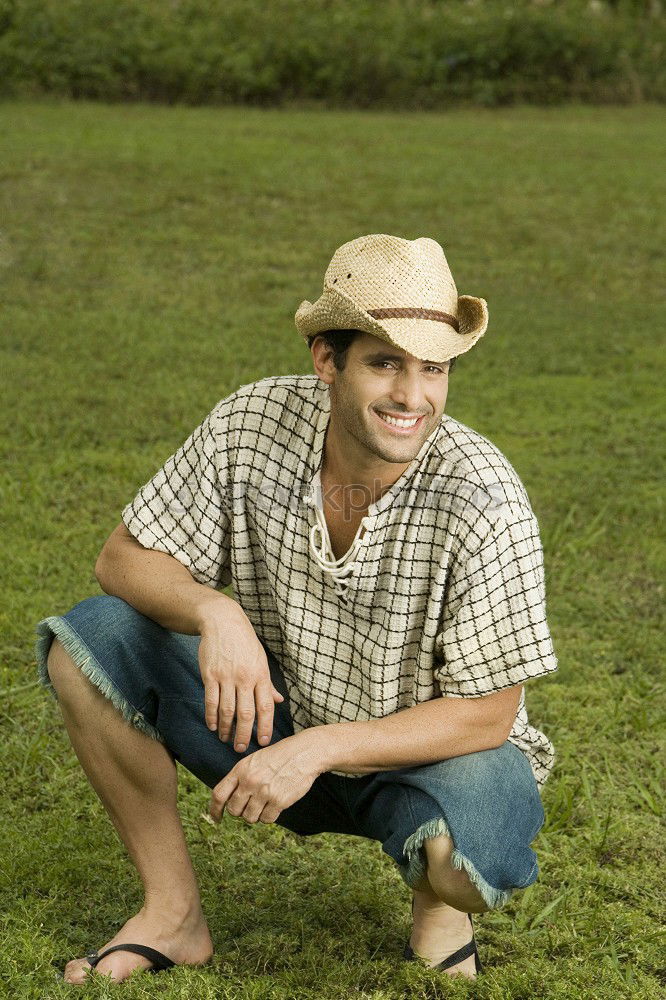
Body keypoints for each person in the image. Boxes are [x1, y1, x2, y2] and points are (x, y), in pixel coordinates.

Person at [35, 234, 558, 985]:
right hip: (269, 716)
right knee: (86, 644)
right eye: (385, 363)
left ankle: (437, 903)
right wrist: (216, 613)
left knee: (463, 871)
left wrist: (316, 750)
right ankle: (173, 914)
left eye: (434, 369)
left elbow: (490, 714)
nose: (413, 397)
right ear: (326, 359)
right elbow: (121, 558)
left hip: (426, 759)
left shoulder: (483, 493)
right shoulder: (252, 423)